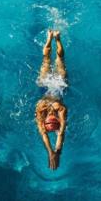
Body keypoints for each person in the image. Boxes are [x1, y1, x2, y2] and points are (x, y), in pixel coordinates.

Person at [35, 30, 68, 170]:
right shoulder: (41, 109)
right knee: (47, 59)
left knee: (59, 59)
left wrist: (55, 152)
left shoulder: (60, 109)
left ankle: (56, 38)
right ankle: (52, 38)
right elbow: (45, 133)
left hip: (60, 85)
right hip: (45, 85)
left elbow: (60, 132)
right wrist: (51, 152)